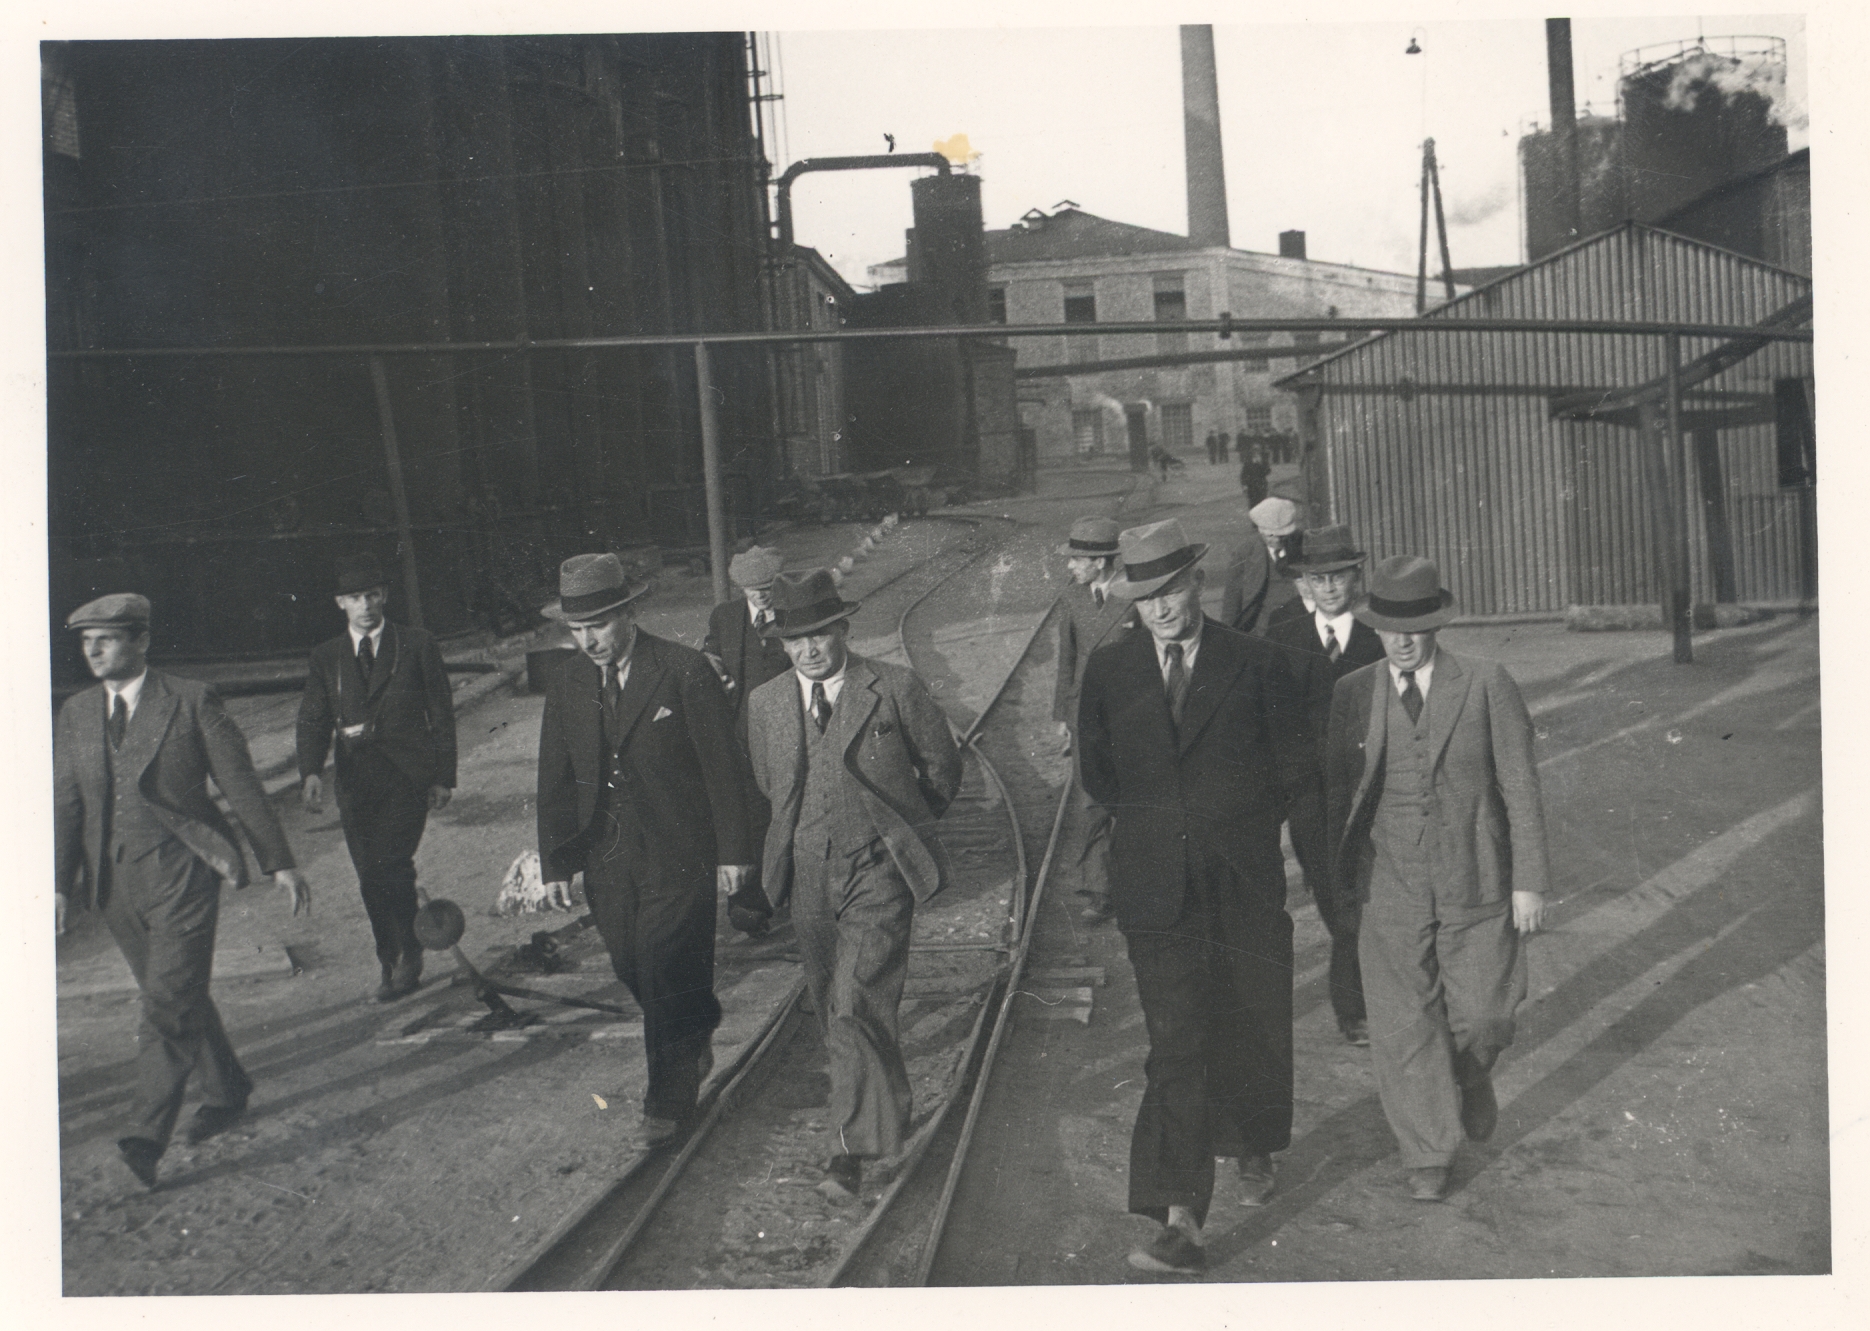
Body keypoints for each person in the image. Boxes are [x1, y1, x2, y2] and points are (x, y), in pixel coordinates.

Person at [1077, 521, 1322, 1275]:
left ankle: (1251, 1140)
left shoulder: (1256, 664)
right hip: (1157, 888)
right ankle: (1180, 1214)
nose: (1161, 609)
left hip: (1241, 881)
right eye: (1145, 598)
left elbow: (1293, 770)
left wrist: (1241, 826)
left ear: (1197, 584)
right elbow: (1101, 774)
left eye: (1172, 591)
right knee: (1178, 1041)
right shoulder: (1110, 670)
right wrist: (1164, 830)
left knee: (1248, 1022)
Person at [53, 594, 312, 1190]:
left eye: (108, 638)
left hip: (182, 870)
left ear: (141, 642)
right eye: (85, 640)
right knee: (170, 988)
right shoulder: (77, 712)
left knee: (166, 1001)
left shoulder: (190, 701)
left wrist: (280, 861)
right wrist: (58, 886)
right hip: (112, 879)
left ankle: (144, 1138)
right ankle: (226, 1088)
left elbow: (240, 782)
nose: (92, 650)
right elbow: (67, 803)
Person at [1325, 556, 1550, 1203]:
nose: (1402, 639)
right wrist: (1338, 889)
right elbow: (1337, 798)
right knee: (1404, 1023)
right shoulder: (1353, 694)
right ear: (1376, 626)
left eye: (1416, 625)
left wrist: (1529, 878)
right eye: (1391, 626)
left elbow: (1521, 786)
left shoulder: (1486, 684)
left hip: (1475, 877)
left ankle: (1472, 1074)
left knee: (1484, 1015)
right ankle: (1426, 1150)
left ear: (1437, 625)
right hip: (1386, 885)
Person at [744, 569, 963, 1206]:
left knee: (854, 1001)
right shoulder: (766, 706)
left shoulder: (892, 687)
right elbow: (769, 785)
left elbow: (941, 768)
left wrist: (900, 832)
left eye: (820, 634)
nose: (809, 650)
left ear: (843, 628)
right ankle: (885, 1111)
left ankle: (850, 1154)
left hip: (878, 869)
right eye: (795, 640)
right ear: (782, 646)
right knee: (831, 1003)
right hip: (807, 871)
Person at [534, 553, 755, 1144]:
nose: (590, 642)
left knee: (660, 965)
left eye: (600, 626)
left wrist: (734, 852)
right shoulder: (568, 681)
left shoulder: (682, 671)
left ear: (630, 613)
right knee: (630, 964)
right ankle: (698, 1022)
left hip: (680, 849)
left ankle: (667, 1101)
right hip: (607, 854)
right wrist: (556, 862)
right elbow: (554, 775)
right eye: (578, 630)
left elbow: (723, 771)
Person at [296, 553, 456, 1002]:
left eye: (371, 595)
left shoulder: (416, 644)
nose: (365, 605)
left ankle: (409, 954)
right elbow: (313, 717)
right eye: (354, 598)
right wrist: (310, 770)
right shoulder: (327, 657)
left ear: (384, 596)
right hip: (355, 782)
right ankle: (389, 956)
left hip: (406, 777)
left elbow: (441, 714)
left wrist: (443, 776)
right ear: (340, 603)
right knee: (369, 874)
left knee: (392, 865)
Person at [1263, 526, 1386, 1046]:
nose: (1330, 587)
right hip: (1308, 796)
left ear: (1356, 576)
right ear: (1305, 584)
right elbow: (1266, 716)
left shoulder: (1379, 632)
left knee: (1360, 896)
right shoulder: (1283, 631)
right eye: (1319, 578)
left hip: (1371, 791)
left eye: (1339, 576)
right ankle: (1359, 1000)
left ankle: (1355, 1008)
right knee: (1338, 901)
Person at [701, 545, 795, 937]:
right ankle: (750, 903)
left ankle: (794, 892)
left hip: (791, 735)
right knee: (750, 818)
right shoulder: (726, 617)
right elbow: (711, 651)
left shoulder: (795, 610)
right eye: (754, 589)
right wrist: (709, 664)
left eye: (768, 586)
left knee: (789, 815)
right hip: (741, 738)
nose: (763, 595)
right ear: (741, 589)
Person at [1050, 516, 1135, 926]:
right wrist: (1062, 715)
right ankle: (1100, 890)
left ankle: (1139, 883)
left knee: (1134, 798)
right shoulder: (1072, 599)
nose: (1070, 567)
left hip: (1130, 713)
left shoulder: (1134, 596)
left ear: (1101, 563)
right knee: (1091, 801)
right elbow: (1066, 660)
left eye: (1076, 560)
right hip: (1085, 714)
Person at [1248, 496, 1310, 632]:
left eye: (1282, 535)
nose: (1277, 540)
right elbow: (1233, 598)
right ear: (1261, 531)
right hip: (1264, 629)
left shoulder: (1305, 543)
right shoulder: (1246, 552)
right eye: (1271, 536)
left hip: (1300, 625)